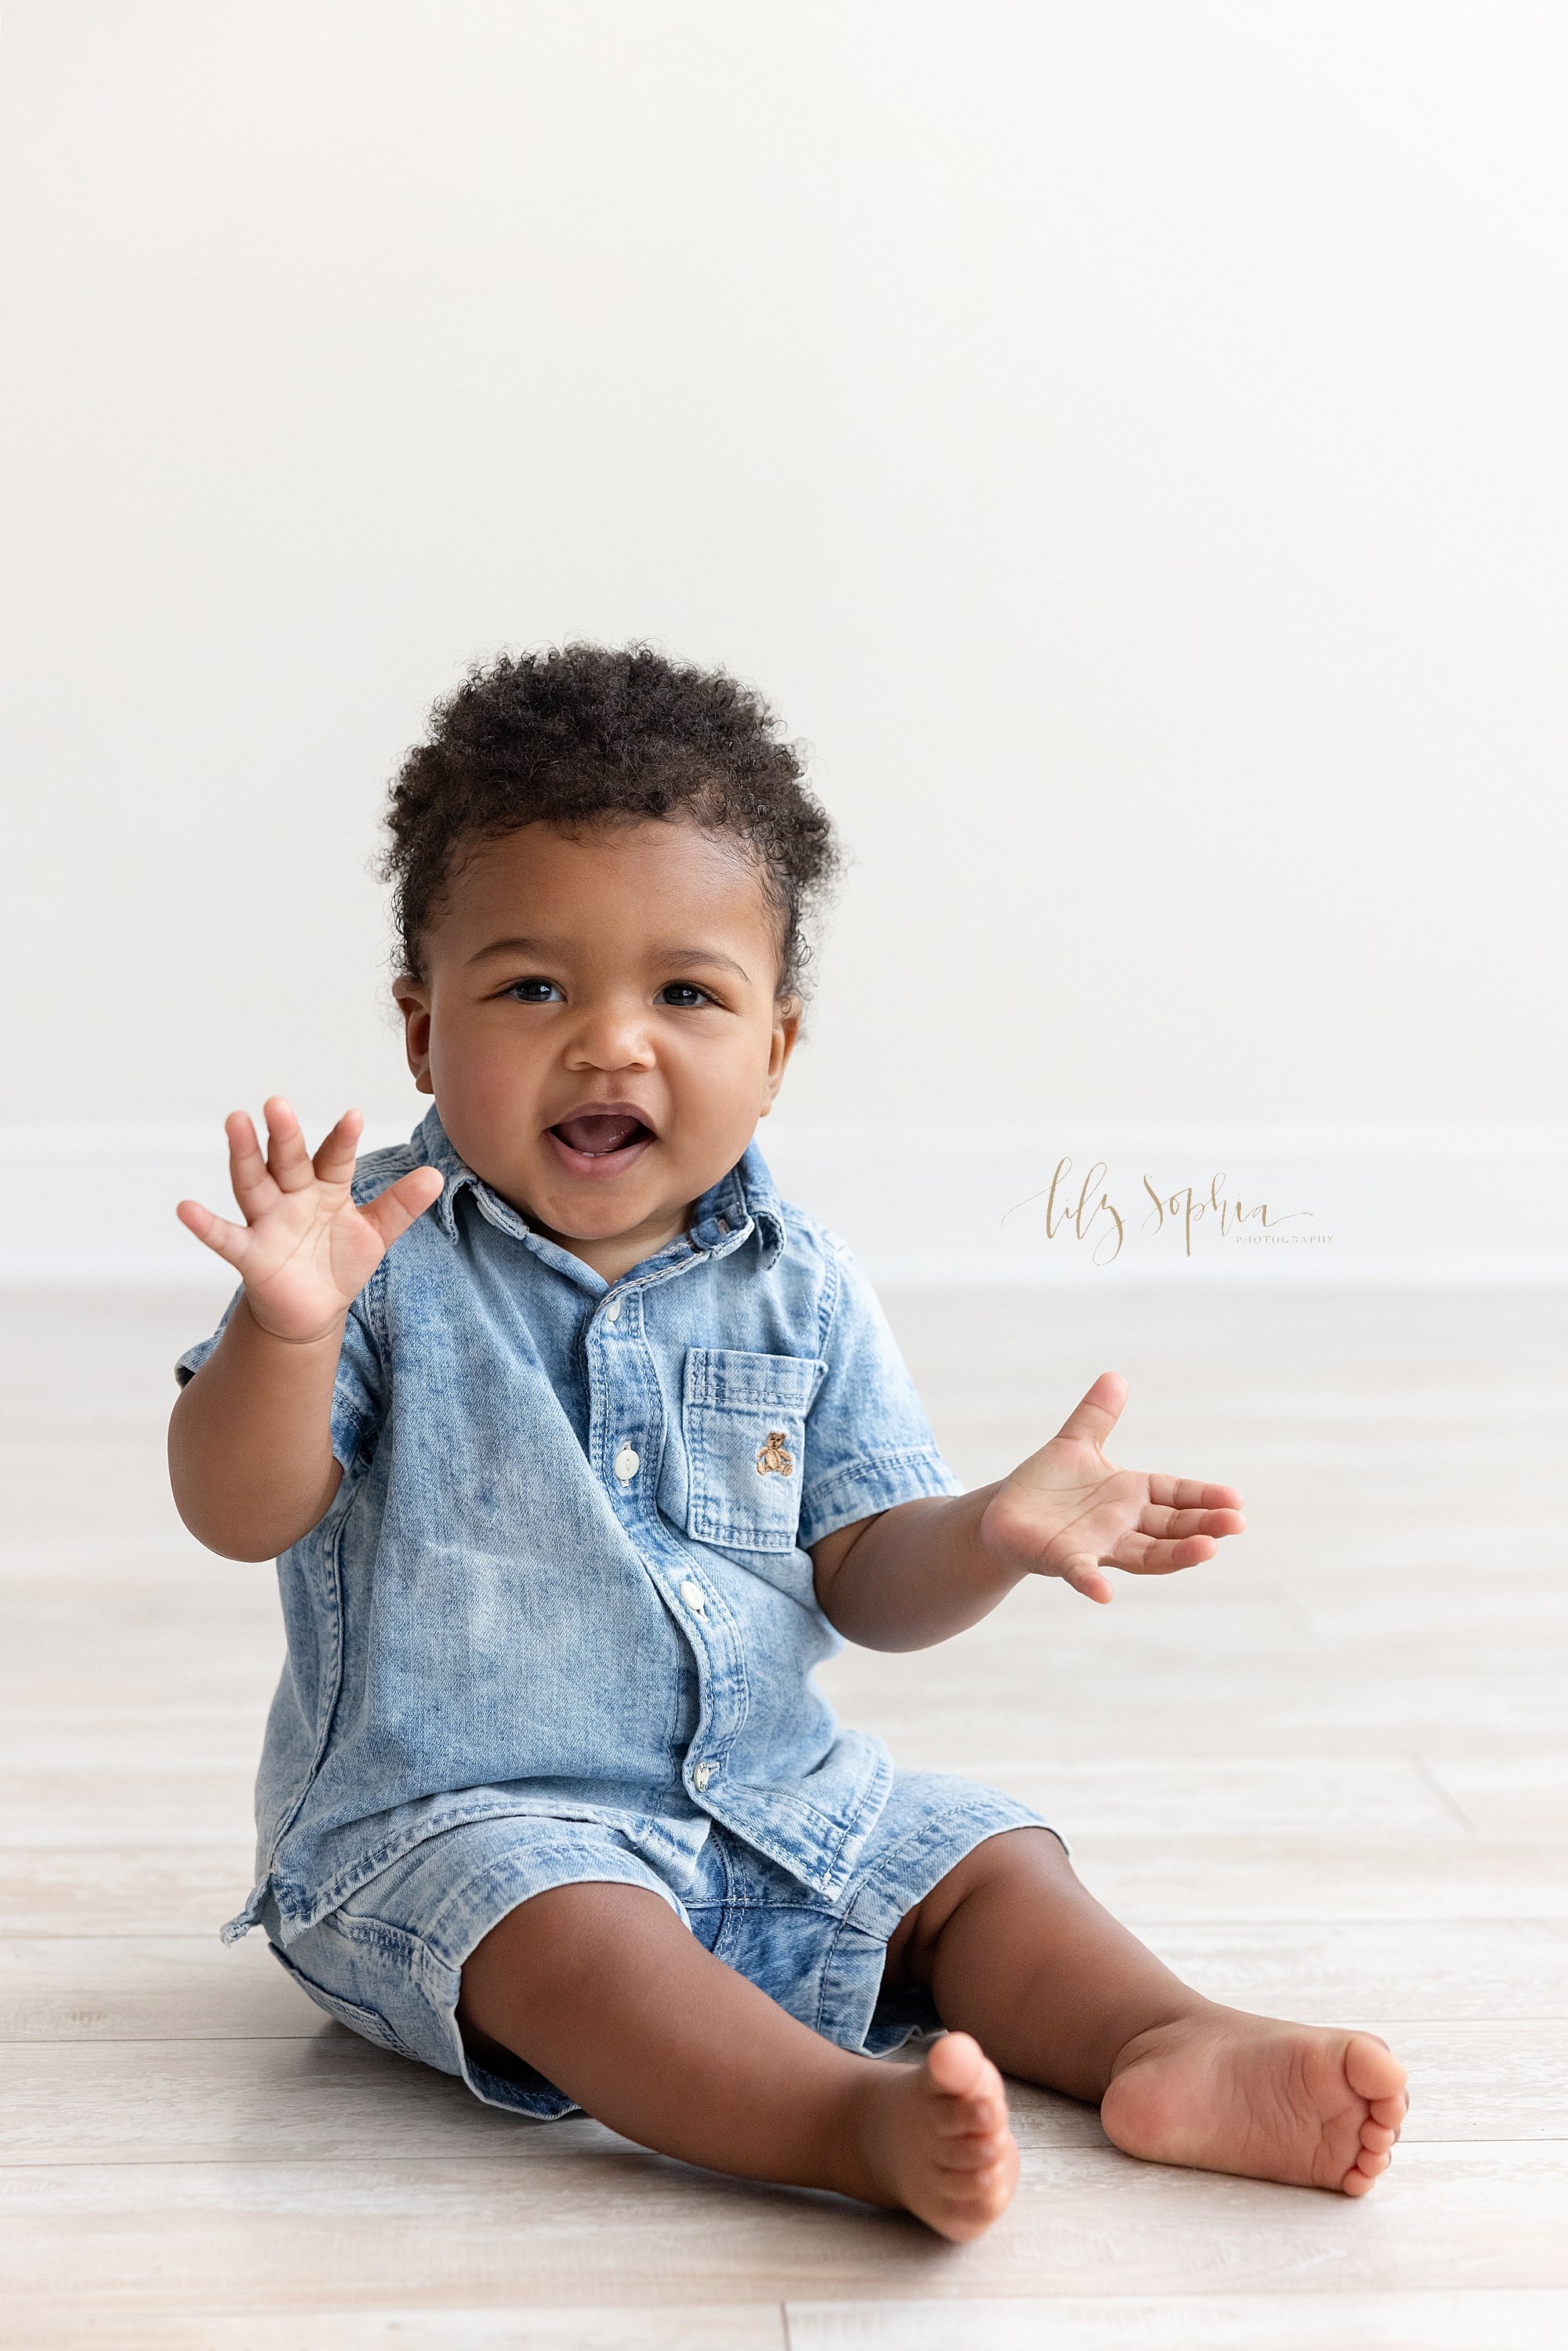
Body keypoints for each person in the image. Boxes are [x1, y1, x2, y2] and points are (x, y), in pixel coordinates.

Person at [168, 644, 1406, 2240]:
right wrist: (286, 1331)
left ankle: (1159, 2040)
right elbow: (238, 1509)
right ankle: (839, 2123)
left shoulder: (800, 1285)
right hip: (458, 1842)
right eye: (533, 987)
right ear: (421, 1030)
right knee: (577, 1935)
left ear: (777, 1049)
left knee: (982, 1859)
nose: (613, 1045)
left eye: (685, 994)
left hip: (767, 1796)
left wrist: (987, 1534)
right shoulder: (372, 1267)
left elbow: (867, 1583)